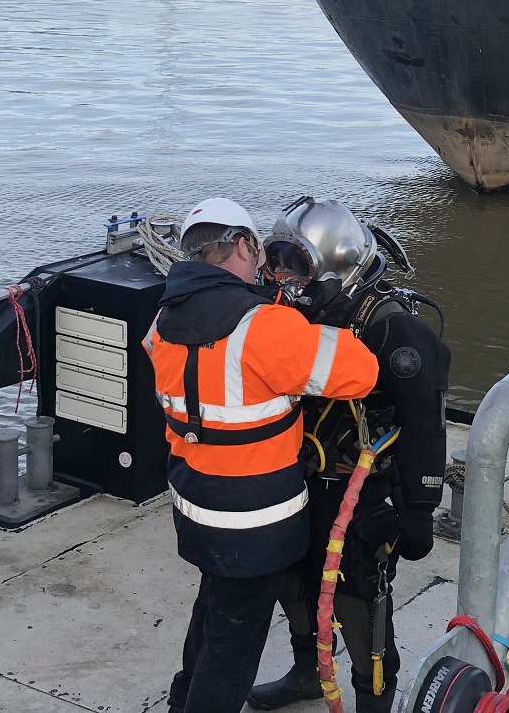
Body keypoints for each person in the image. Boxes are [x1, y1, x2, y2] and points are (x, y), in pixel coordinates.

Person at [146, 198, 381, 713]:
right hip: (255, 523)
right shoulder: (262, 327)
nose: (265, 267)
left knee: (210, 616)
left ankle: (180, 701)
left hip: (195, 508)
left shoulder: (162, 321)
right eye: (258, 253)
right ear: (239, 244)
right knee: (232, 652)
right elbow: (360, 372)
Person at [247, 199, 451, 713]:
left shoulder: (389, 329)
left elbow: (425, 418)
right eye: (277, 260)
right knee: (293, 585)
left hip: (365, 491)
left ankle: (372, 699)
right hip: (298, 478)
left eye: (297, 264)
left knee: (359, 606)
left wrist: (420, 509)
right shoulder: (286, 312)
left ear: (335, 267)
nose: (282, 277)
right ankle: (307, 674)